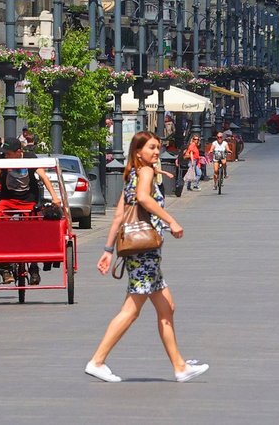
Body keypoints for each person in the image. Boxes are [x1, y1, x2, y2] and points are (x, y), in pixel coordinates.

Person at [86, 131, 208, 384]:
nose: (156, 152)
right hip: (144, 252)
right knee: (131, 310)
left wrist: (108, 251)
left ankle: (179, 366)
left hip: (143, 253)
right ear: (138, 151)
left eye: (158, 147)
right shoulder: (144, 173)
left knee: (167, 308)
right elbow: (143, 199)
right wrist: (172, 220)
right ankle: (97, 361)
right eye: (151, 147)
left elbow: (119, 215)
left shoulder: (132, 174)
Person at [0, 137, 61, 285]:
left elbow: (43, 176)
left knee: (31, 227)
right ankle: (4, 263)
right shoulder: (2, 158)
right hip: (7, 198)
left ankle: (33, 268)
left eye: (8, 153)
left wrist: (54, 197)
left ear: (18, 152)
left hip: (28, 199)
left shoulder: (30, 158)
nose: (5, 156)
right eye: (4, 153)